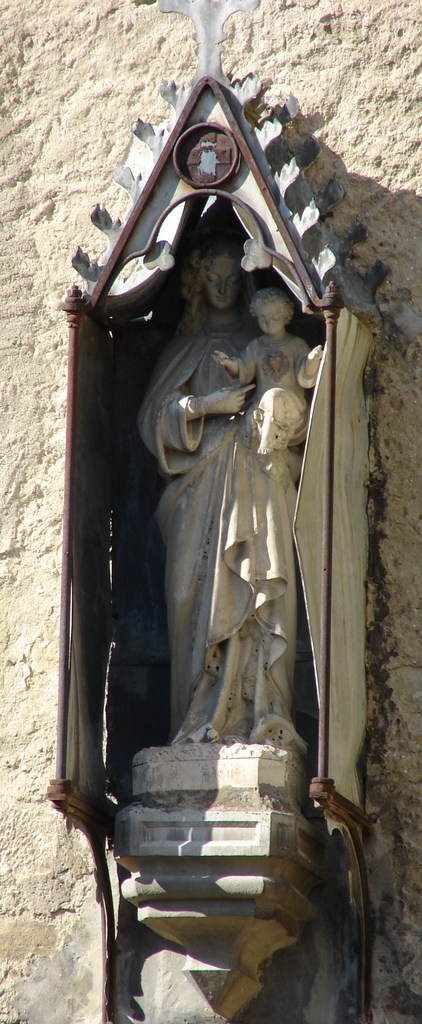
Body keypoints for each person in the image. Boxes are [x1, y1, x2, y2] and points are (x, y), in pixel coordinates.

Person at [138, 237, 316, 753]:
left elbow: (300, 413)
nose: (220, 287)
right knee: (188, 598)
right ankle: (196, 726)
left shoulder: (268, 345)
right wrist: (203, 405)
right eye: (210, 277)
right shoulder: (184, 350)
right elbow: (152, 420)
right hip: (197, 491)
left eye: (229, 278)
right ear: (196, 282)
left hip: (258, 479)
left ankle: (262, 716)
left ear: (245, 284)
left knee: (261, 588)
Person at [213, 287, 322, 456]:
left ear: (286, 316)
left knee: (274, 395)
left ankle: (268, 438)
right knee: (261, 406)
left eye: (274, 317)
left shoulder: (296, 344)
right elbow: (244, 369)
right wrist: (229, 364)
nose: (268, 322)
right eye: (262, 317)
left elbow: (306, 377)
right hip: (262, 405)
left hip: (290, 406)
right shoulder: (256, 346)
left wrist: (312, 361)